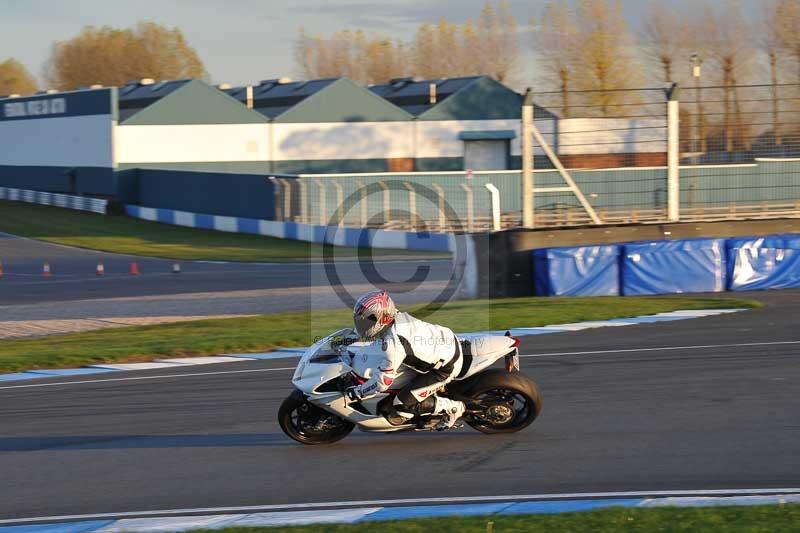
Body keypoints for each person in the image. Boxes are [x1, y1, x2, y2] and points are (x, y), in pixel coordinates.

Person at [344, 289, 466, 430]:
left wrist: (358, 392)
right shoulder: (393, 315)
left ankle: (454, 408)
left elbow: (383, 382)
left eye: (367, 322)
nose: (362, 326)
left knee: (401, 405)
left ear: (382, 318)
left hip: (445, 368)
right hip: (445, 340)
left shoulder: (393, 345)